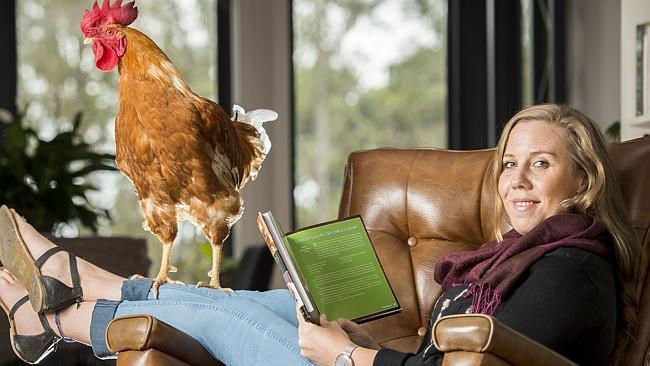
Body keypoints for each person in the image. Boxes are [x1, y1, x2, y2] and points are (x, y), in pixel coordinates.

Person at [0, 104, 641, 366]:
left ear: (582, 179)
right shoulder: (519, 255)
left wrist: (348, 354)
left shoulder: (573, 269)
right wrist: (359, 335)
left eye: (542, 164)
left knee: (230, 327)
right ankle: (88, 285)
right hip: (388, 360)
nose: (517, 181)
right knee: (248, 302)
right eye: (510, 163)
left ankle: (58, 319)